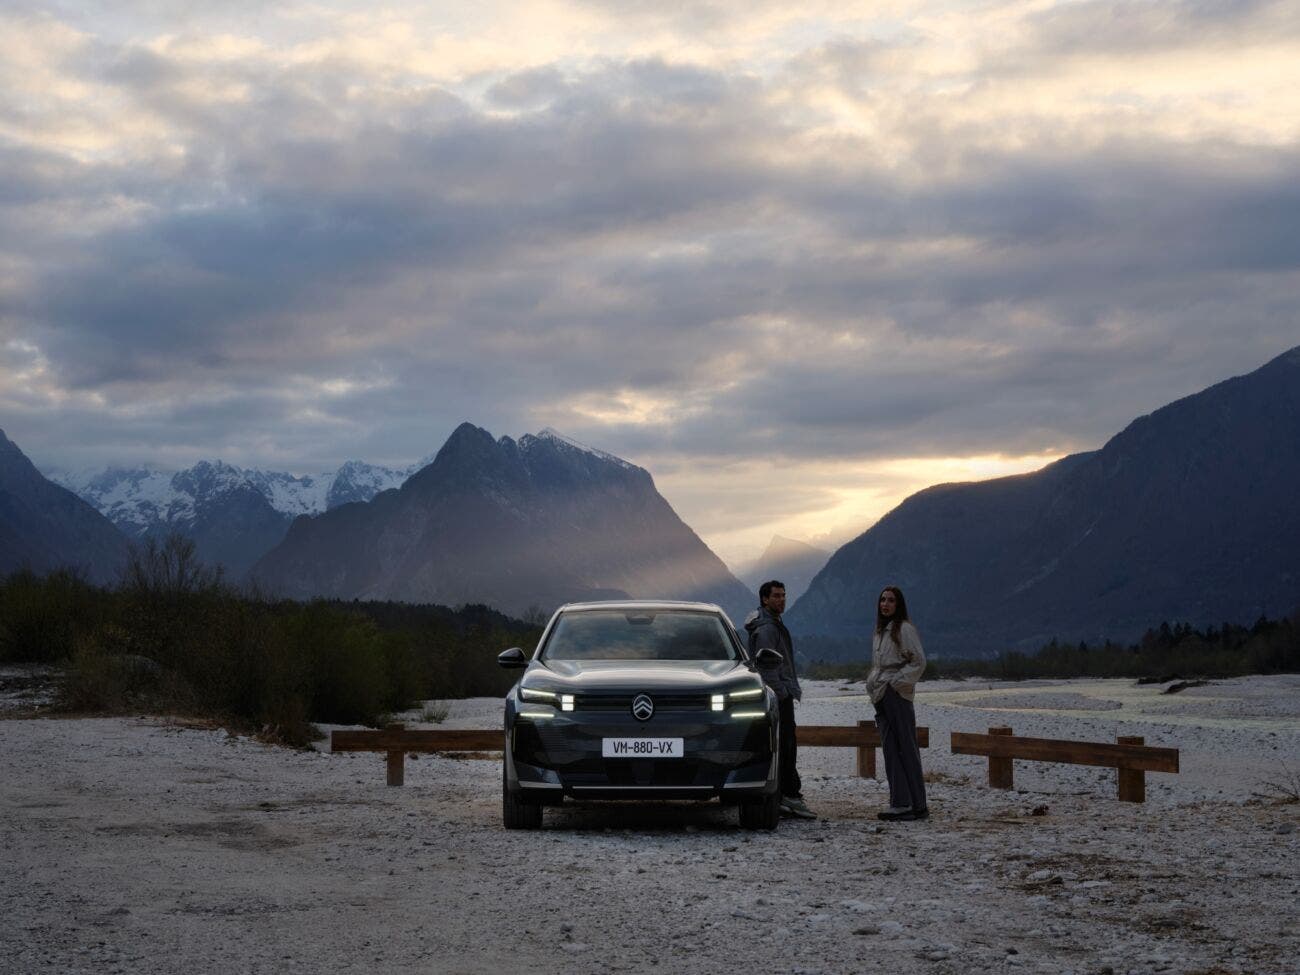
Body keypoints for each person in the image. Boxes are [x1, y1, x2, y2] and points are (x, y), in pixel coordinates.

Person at [744, 580, 815, 820]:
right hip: (777, 696)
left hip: (778, 693)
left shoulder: (772, 623)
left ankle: (785, 795)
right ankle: (790, 796)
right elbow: (767, 666)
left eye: (783, 595)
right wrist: (782, 693)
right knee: (786, 745)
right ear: (765, 599)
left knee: (784, 744)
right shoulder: (767, 629)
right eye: (776, 596)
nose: (782, 600)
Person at [865, 586, 928, 821]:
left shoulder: (904, 629)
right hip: (881, 693)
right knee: (891, 748)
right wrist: (874, 684)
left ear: (898, 604)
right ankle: (902, 803)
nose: (885, 604)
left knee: (905, 747)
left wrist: (897, 683)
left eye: (891, 600)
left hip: (895, 694)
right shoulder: (880, 631)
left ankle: (915, 804)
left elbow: (919, 661)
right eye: (882, 600)